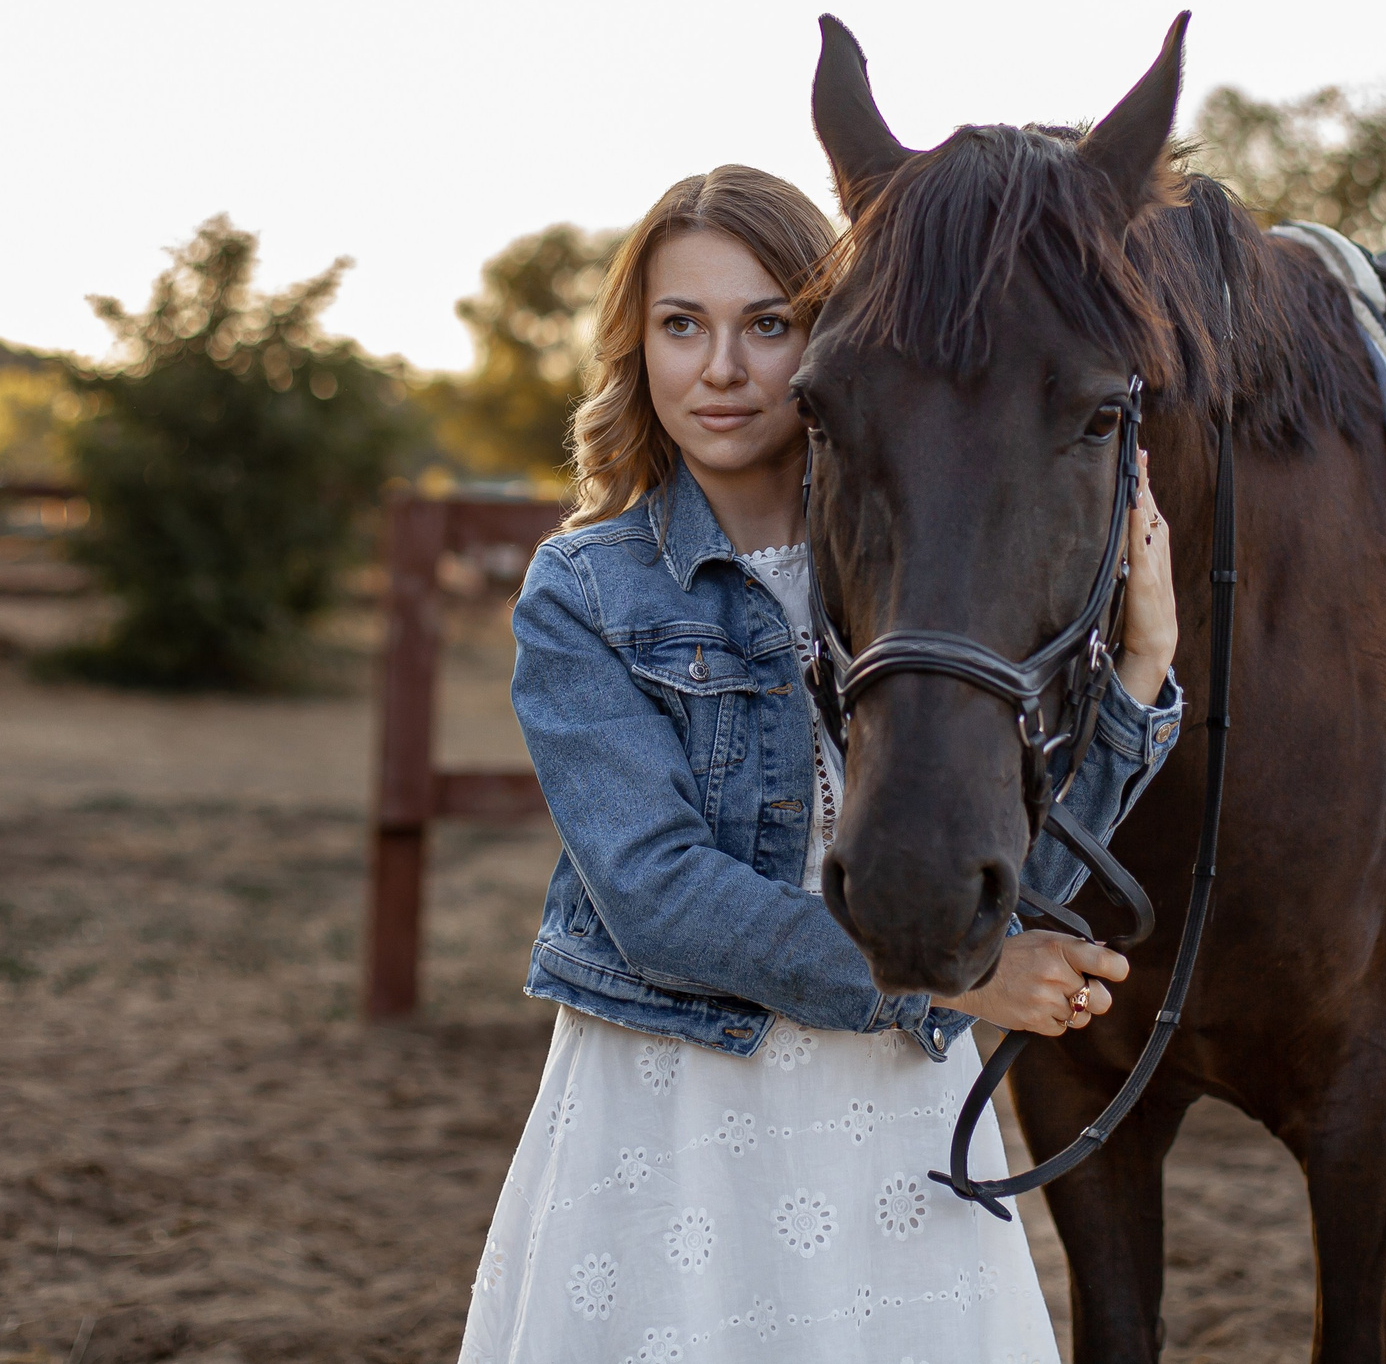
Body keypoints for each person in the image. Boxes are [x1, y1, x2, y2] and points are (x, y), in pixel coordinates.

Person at [456, 164, 1182, 1363]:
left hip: (892, 1116)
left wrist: (1140, 675)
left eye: (767, 323)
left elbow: (1024, 876)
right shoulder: (585, 589)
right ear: (636, 349)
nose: (722, 368)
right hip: (673, 1111)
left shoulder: (916, 580)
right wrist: (953, 981)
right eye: (681, 325)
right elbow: (656, 899)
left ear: (830, 338)